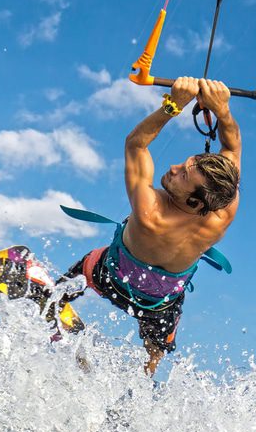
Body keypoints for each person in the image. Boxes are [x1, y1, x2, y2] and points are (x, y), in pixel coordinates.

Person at [57, 77, 241, 375]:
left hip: (110, 278)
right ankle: (148, 371)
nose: (173, 167)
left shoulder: (149, 210)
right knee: (157, 345)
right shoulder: (223, 212)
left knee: (87, 266)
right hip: (160, 304)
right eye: (184, 163)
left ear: (195, 202)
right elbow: (231, 147)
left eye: (183, 176)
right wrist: (223, 110)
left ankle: (55, 303)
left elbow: (136, 143)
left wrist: (173, 105)